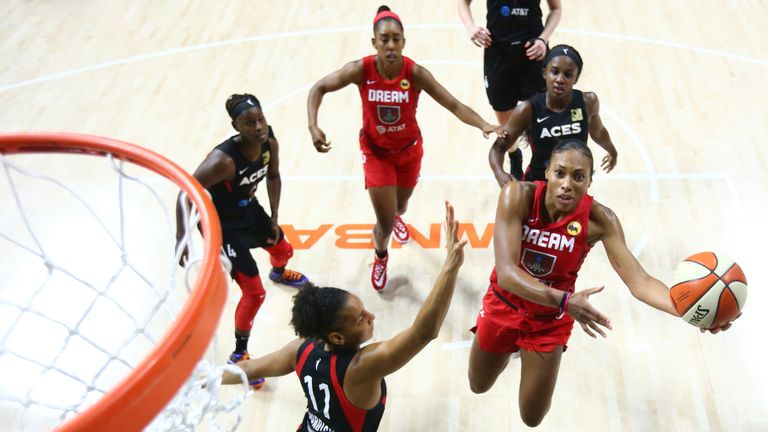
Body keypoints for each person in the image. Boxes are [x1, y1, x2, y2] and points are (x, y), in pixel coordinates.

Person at [468, 139, 738, 427]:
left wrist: (688, 308)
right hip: (505, 304)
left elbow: (640, 281)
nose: (567, 183)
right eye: (560, 173)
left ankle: (528, 350)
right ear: (546, 173)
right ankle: (514, 347)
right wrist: (565, 300)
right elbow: (508, 273)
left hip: (549, 319)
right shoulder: (517, 195)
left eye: (578, 176)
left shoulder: (601, 220)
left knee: (531, 417)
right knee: (478, 385)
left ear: (589, 182)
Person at [222, 201, 467, 431]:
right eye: (360, 318)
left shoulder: (301, 350)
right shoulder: (362, 368)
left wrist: (200, 379)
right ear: (338, 337)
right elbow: (424, 332)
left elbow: (249, 368)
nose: (371, 316)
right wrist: (449, 268)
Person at [307, 5, 500, 292]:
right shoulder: (362, 69)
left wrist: (483, 124)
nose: (391, 45)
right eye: (384, 39)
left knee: (401, 205)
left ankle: (397, 215)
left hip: (409, 151)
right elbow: (318, 88)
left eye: (396, 39)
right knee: (384, 224)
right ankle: (381, 255)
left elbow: (454, 105)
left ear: (404, 41)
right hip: (376, 153)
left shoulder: (415, 73)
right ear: (374, 43)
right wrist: (313, 125)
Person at [175, 93, 309, 387]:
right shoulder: (222, 161)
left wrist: (274, 217)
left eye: (261, 119)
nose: (259, 126)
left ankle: (279, 272)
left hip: (249, 212)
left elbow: (273, 177)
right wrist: (182, 236)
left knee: (284, 249)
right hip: (224, 227)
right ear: (237, 126)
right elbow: (187, 193)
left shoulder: (269, 142)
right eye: (249, 123)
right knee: (254, 293)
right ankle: (239, 354)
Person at [458, 0, 562, 180]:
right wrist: (470, 27)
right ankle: (514, 154)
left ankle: (544, 162)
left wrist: (544, 39)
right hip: (498, 52)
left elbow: (556, 8)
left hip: (533, 51)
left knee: (543, 115)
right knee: (503, 112)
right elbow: (463, 3)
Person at [488, 44, 619, 186]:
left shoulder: (588, 102)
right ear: (545, 73)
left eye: (568, 74)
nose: (560, 79)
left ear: (576, 78)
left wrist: (612, 151)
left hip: (572, 185)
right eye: (554, 72)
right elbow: (498, 148)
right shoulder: (528, 109)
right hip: (538, 183)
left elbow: (598, 132)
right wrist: (499, 174)